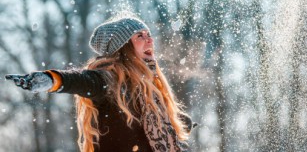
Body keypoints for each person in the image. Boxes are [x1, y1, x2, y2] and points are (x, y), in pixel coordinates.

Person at [6, 15, 195, 152]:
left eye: (148, 34)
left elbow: (154, 125)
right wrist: (52, 80)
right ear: (124, 47)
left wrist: (178, 123)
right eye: (140, 36)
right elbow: (82, 81)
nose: (150, 40)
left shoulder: (151, 88)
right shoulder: (110, 80)